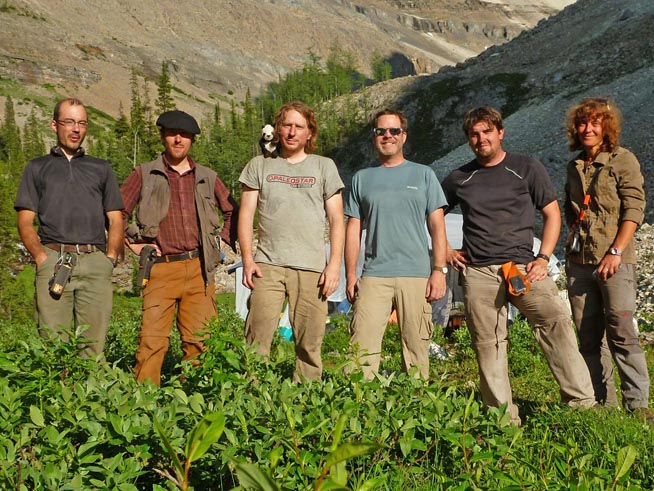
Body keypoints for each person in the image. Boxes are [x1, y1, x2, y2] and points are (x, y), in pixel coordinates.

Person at [440, 106, 595, 425]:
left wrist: (543, 258)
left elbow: (552, 214)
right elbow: (433, 213)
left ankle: (581, 401)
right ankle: (502, 416)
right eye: (474, 134)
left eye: (486, 132)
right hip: (479, 271)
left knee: (555, 322)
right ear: (469, 139)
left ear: (500, 132)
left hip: (524, 267)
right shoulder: (459, 177)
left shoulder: (526, 167)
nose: (480, 139)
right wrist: (444, 249)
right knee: (487, 342)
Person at [121, 109, 238, 385]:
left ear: (192, 141)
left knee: (201, 342)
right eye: (173, 134)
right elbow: (116, 211)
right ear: (163, 136)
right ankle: (144, 404)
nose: (178, 139)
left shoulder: (208, 177)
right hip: (160, 270)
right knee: (151, 342)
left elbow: (233, 210)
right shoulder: (145, 174)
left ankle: (193, 403)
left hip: (200, 270)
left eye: (184, 135)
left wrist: (220, 240)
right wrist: (134, 243)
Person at [238, 101, 345, 381]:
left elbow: (336, 220)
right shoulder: (259, 165)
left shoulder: (324, 166)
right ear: (277, 129)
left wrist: (334, 266)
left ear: (310, 133)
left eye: (299, 126)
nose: (292, 132)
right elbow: (246, 215)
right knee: (257, 336)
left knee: (309, 343)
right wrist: (248, 260)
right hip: (267, 265)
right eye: (287, 125)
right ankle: (251, 395)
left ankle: (306, 398)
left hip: (312, 268)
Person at [563, 97, 652, 423]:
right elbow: (569, 209)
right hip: (580, 262)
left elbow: (634, 209)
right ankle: (602, 404)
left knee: (621, 331)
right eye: (582, 124)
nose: (587, 129)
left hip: (614, 260)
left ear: (607, 127)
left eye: (595, 123)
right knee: (587, 335)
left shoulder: (622, 160)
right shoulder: (574, 166)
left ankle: (638, 404)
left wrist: (616, 251)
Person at [15, 97, 124, 358]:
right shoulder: (37, 168)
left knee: (93, 348)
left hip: (95, 262)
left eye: (82, 123)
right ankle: (55, 397)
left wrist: (109, 259)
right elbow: (25, 221)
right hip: (53, 262)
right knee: (52, 346)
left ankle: (90, 397)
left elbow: (116, 218)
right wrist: (41, 258)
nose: (76, 129)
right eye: (69, 122)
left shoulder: (101, 168)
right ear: (54, 125)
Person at [345, 109, 448, 379]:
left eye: (393, 131)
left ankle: (418, 408)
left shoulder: (424, 174)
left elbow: (437, 226)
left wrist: (439, 270)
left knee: (416, 349)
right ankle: (358, 404)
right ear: (374, 136)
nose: (387, 136)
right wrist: (350, 274)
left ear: (404, 136)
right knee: (360, 349)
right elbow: (353, 229)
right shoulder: (361, 178)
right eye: (381, 131)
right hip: (373, 275)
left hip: (416, 275)